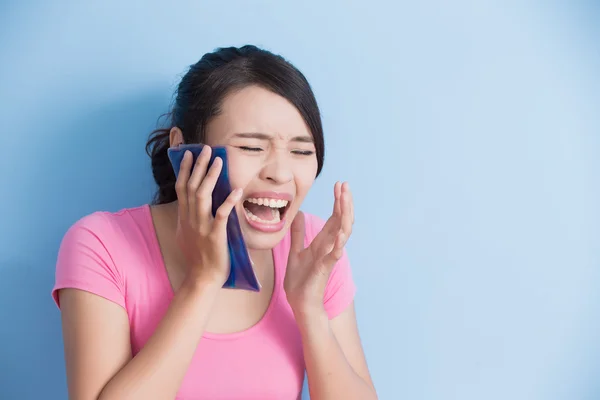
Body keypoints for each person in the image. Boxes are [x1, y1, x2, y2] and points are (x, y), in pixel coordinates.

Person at [52, 45, 377, 400]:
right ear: (182, 149)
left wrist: (311, 310)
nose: (281, 174)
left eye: (301, 151)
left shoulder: (313, 249)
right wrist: (203, 281)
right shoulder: (103, 245)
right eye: (252, 148)